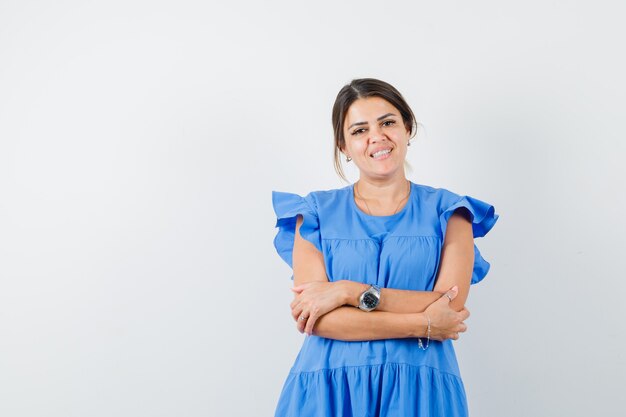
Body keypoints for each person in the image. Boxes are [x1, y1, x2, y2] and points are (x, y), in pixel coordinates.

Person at [271, 78, 499, 417]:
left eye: (388, 122)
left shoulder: (451, 212)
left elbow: (449, 304)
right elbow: (317, 319)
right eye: (359, 130)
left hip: (421, 391)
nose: (376, 137)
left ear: (407, 128)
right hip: (329, 391)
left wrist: (348, 292)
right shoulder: (314, 213)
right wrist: (422, 324)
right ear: (343, 146)